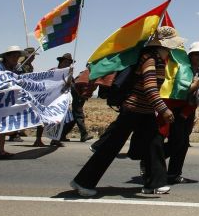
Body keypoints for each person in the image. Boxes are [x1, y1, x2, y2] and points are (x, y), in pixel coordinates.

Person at [70, 27, 181, 197]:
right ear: (164, 46)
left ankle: (155, 183)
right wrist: (164, 109)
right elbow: (150, 88)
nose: (173, 50)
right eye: (171, 47)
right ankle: (83, 182)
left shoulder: (156, 59)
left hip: (145, 111)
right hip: (134, 109)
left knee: (154, 145)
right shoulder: (150, 59)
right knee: (110, 147)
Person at [166, 41, 199, 184]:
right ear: (190, 55)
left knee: (182, 143)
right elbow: (180, 90)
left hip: (187, 111)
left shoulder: (196, 70)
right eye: (197, 54)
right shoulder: (184, 69)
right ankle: (151, 159)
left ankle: (173, 174)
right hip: (179, 111)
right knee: (177, 142)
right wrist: (195, 86)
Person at [55, 53, 93, 145]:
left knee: (72, 118)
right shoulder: (55, 72)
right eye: (66, 62)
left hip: (69, 98)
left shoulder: (70, 73)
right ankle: (56, 138)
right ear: (61, 62)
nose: (68, 64)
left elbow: (72, 85)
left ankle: (60, 136)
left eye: (69, 62)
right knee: (75, 116)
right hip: (57, 100)